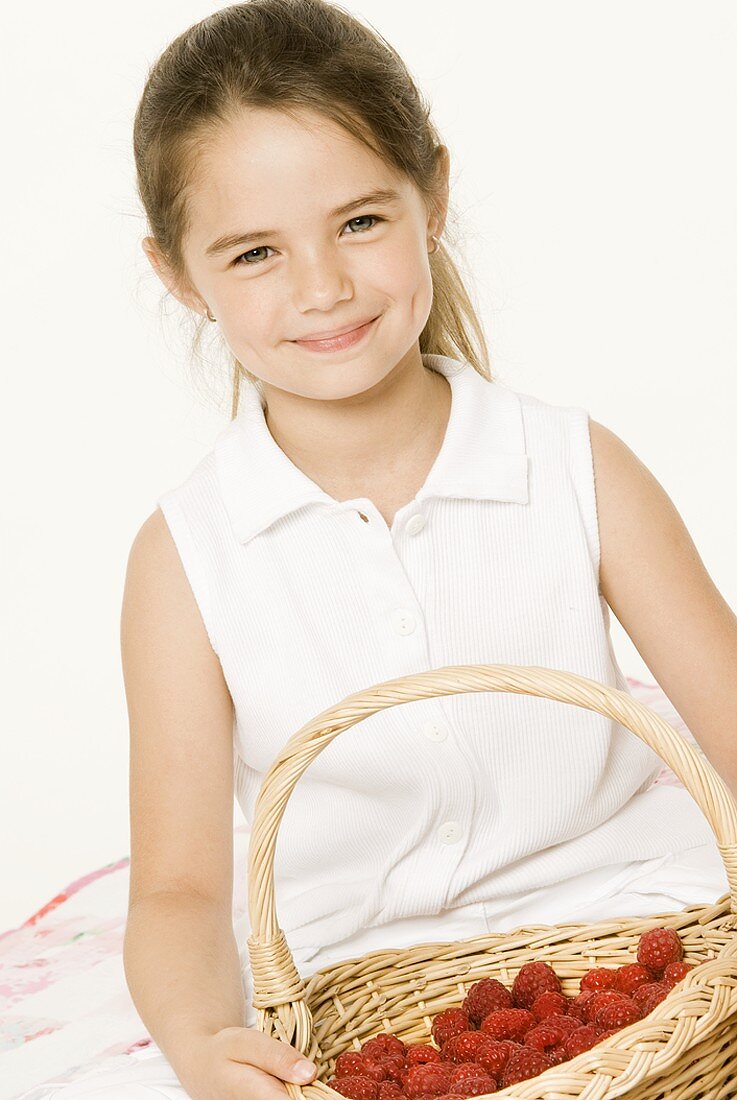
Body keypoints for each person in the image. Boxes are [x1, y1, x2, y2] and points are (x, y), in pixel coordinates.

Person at [30, 0, 737, 1097]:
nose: (321, 287)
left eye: (360, 221)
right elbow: (174, 887)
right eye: (255, 251)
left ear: (431, 197)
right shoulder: (186, 557)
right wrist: (200, 1042)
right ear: (177, 274)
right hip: (367, 1003)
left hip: (649, 935)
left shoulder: (572, 466)